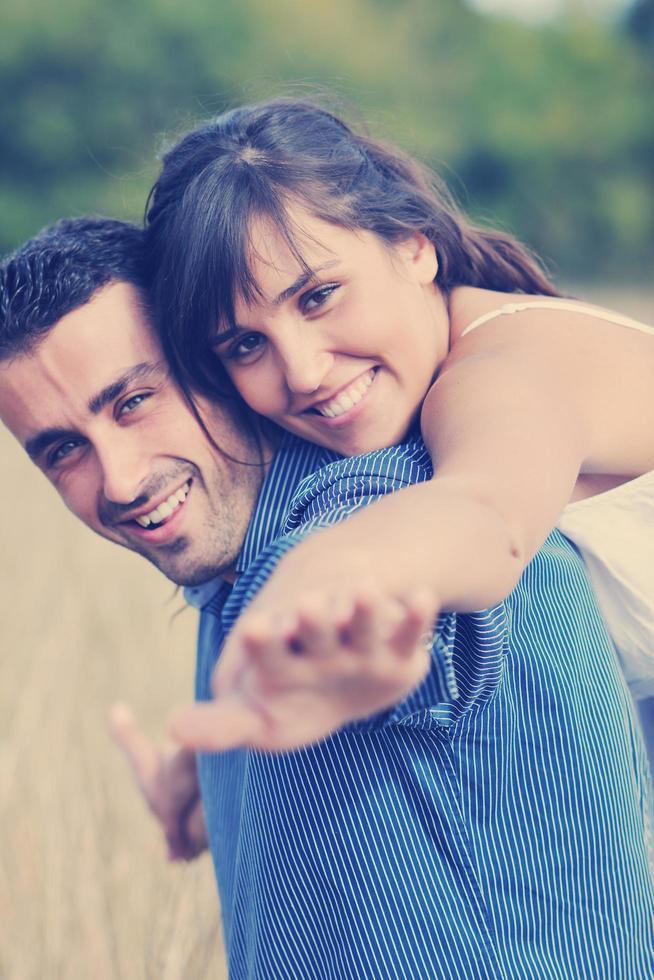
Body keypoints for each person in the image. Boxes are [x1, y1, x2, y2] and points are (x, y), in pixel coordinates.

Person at [2, 217, 652, 979]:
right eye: (62, 450)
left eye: (134, 401)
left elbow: (410, 602)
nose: (117, 480)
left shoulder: (386, 508)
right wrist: (222, 765)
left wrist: (354, 623)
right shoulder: (232, 573)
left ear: (216, 365)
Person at [141, 96, 654, 756]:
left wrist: (323, 571)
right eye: (244, 344)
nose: (301, 371)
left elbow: (486, 514)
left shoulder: (502, 373)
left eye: (318, 296)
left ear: (414, 247)